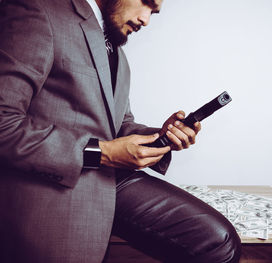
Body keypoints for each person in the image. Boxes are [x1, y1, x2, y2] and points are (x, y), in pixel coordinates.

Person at [0, 0, 241, 262]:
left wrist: (162, 136)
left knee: (219, 243)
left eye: (154, 12)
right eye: (146, 3)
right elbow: (3, 121)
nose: (146, 20)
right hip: (51, 182)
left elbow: (116, 126)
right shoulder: (37, 10)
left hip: (108, 179)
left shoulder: (116, 50)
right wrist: (99, 153)